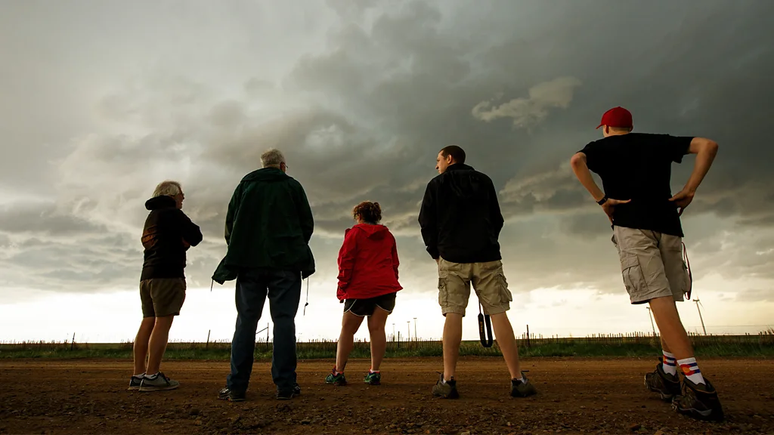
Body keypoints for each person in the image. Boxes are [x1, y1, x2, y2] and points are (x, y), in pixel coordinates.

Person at [570, 106, 722, 421]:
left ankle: (698, 387)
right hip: (668, 224)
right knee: (668, 300)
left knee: (658, 298)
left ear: (607, 128)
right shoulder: (657, 142)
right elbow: (708, 145)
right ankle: (668, 374)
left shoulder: (600, 148)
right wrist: (690, 189)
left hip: (632, 226)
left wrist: (602, 200)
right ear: (630, 126)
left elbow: (576, 162)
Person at [418, 145, 537, 399]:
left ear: (449, 159)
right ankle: (517, 379)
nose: (436, 164)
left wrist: (435, 253)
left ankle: (448, 380)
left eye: (438, 159)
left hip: (451, 258)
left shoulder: (436, 184)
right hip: (487, 256)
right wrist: (488, 241)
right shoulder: (484, 181)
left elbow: (426, 222)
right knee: (498, 313)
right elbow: (497, 218)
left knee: (453, 314)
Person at [213, 148, 315, 402]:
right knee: (283, 321)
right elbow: (306, 224)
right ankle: (285, 385)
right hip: (286, 265)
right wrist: (292, 248)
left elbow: (230, 225)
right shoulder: (292, 187)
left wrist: (242, 251)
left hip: (249, 265)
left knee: (246, 322)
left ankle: (237, 387)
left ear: (262, 166)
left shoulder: (245, 186)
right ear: (282, 165)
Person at [131, 180, 202, 392]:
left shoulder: (152, 217)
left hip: (147, 275)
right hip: (168, 275)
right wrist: (184, 241)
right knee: (162, 323)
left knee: (148, 322)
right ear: (171, 195)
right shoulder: (172, 214)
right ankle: (153, 375)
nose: (183, 197)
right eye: (181, 194)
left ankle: (138, 374)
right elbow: (196, 235)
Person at [325, 201, 402, 387]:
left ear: (359, 216)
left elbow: (345, 261)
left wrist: (343, 286)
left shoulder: (355, 234)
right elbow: (394, 263)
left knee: (347, 330)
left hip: (360, 288)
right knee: (377, 329)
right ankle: (374, 372)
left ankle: (338, 372)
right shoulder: (388, 236)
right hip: (386, 287)